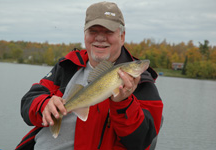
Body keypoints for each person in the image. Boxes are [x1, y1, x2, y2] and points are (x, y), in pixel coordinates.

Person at [16, 1, 163, 150]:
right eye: (93, 31)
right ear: (85, 34)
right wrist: (44, 106)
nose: (100, 38)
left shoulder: (142, 84)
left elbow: (142, 141)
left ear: (122, 36)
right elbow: (28, 104)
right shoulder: (68, 65)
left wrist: (123, 103)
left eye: (108, 32)